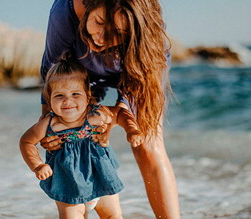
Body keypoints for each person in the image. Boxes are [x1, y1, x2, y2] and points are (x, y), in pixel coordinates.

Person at [36, 0, 180, 218]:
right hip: (82, 68)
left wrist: (118, 112)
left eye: (118, 33)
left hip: (139, 65)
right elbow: (51, 71)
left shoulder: (147, 31)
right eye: (99, 22)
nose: (101, 38)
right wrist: (49, 127)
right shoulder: (64, 12)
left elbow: (141, 82)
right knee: (76, 137)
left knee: (149, 144)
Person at [19, 52, 144, 218]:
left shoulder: (96, 114)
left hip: (102, 177)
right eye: (59, 95)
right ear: (49, 100)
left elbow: (121, 113)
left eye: (75, 94)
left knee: (112, 215)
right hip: (67, 184)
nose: (68, 101)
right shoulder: (48, 124)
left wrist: (132, 130)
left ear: (88, 96)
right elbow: (26, 142)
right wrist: (37, 165)